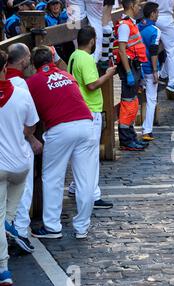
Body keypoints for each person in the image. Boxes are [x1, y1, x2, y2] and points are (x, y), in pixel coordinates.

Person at [27, 46, 97, 239]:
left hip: (60, 128)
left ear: (34, 65)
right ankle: (82, 226)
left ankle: (52, 226)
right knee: (86, 179)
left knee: (53, 177)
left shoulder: (32, 82)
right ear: (52, 60)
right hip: (85, 123)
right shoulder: (67, 75)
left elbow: (29, 113)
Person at [0, 49, 40, 286]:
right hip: (19, 166)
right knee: (9, 207)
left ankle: (3, 268)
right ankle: (10, 222)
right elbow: (31, 127)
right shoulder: (23, 94)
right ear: (5, 68)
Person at [67, 26, 115, 209]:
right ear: (93, 41)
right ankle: (93, 194)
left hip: (80, 107)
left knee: (80, 153)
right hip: (90, 108)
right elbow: (92, 85)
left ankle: (75, 186)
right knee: (91, 156)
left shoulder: (74, 55)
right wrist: (109, 75)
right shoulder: (86, 59)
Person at [112, 0, 149, 151]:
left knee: (132, 102)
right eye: (138, 5)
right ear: (132, 6)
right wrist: (128, 73)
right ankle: (126, 140)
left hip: (134, 66)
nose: (140, 8)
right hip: (130, 68)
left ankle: (131, 136)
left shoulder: (130, 23)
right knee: (128, 103)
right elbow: (121, 50)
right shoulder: (125, 26)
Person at [138, 2, 161, 142]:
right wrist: (154, 71)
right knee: (151, 99)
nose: (158, 15)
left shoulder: (137, 26)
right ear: (152, 13)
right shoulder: (155, 30)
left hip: (137, 67)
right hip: (148, 68)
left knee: (135, 99)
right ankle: (147, 130)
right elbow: (153, 52)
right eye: (157, 12)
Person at [153, 0, 174, 95]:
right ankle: (172, 81)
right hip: (166, 18)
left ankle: (162, 75)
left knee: (151, 47)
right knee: (171, 51)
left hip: (152, 16)